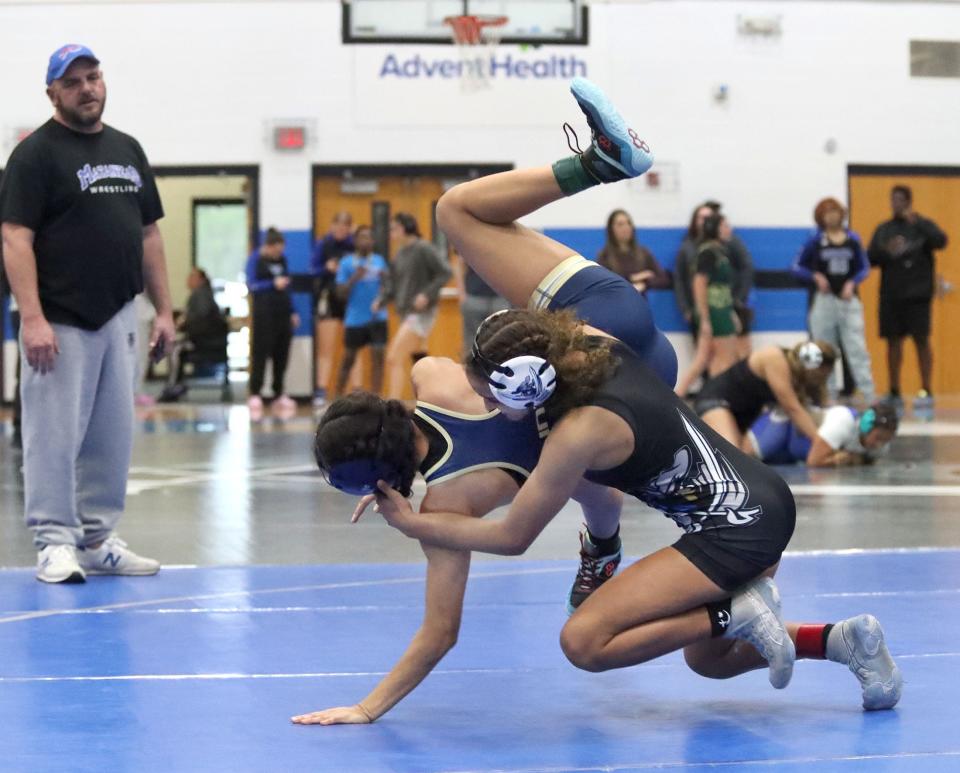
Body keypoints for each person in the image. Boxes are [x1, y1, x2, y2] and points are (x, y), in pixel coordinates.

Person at [297, 78, 899, 724]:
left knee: (585, 636)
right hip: (633, 337)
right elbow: (580, 474)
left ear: (516, 392)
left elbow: (509, 539)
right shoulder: (569, 348)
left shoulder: (562, 440)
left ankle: (714, 600)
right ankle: (837, 640)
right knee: (706, 657)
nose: (473, 391)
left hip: (735, 518)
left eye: (484, 388)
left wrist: (413, 528)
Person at [0, 44, 175, 583]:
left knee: (111, 434)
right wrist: (32, 318)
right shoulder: (34, 156)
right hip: (60, 320)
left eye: (93, 77)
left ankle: (97, 538)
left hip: (122, 316)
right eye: (73, 82)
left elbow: (148, 233)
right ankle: (54, 541)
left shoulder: (127, 149)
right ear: (53, 93)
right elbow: (14, 236)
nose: (86, 88)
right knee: (53, 435)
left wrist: (165, 311)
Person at [867, 185, 947, 418]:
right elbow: (870, 258)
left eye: (901, 200)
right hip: (891, 295)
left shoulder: (922, 226)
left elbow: (941, 241)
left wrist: (918, 222)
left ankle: (926, 389)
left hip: (918, 296)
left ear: (909, 202)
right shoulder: (884, 229)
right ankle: (894, 390)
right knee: (893, 343)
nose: (896, 204)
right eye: (893, 200)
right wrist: (886, 250)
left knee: (922, 341)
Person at [792, 198, 875, 405]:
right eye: (826, 212)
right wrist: (815, 277)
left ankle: (869, 395)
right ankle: (826, 396)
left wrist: (852, 283)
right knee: (823, 350)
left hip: (848, 302)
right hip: (825, 301)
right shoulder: (815, 240)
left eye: (834, 211)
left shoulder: (852, 239)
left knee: (857, 348)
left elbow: (864, 267)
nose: (831, 216)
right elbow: (795, 266)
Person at [693, 340, 837, 451]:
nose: (822, 381)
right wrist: (822, 443)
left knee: (745, 458)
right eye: (821, 376)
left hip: (743, 413)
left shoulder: (804, 378)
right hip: (716, 400)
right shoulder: (774, 357)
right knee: (731, 456)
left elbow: (818, 409)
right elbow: (792, 409)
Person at [378, 213, 452, 400]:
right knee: (419, 359)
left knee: (394, 357)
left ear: (404, 228)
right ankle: (428, 401)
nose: (391, 233)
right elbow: (393, 285)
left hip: (420, 313)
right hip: (405, 312)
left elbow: (445, 272)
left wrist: (426, 294)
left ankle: (392, 405)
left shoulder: (423, 248)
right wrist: (381, 299)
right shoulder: (400, 254)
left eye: (393, 228)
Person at [675, 201, 755, 358]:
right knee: (714, 359)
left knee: (714, 359)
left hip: (725, 305)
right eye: (701, 218)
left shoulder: (728, 245)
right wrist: (690, 310)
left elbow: (746, 267)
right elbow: (688, 281)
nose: (704, 222)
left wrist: (738, 300)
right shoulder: (701, 250)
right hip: (711, 308)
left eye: (708, 218)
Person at [674, 212, 740, 397]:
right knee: (725, 360)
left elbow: (723, 288)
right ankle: (716, 399)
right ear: (715, 229)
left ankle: (676, 398)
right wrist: (704, 319)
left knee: (702, 360)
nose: (729, 229)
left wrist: (732, 312)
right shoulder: (708, 252)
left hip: (722, 308)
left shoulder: (719, 250)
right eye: (725, 226)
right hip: (715, 311)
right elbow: (699, 284)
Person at [246, 227, 298, 419]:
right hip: (264, 314)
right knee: (261, 354)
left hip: (282, 313)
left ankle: (279, 392)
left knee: (281, 354)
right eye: (275, 250)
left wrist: (293, 311)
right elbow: (252, 285)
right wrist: (271, 284)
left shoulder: (282, 261)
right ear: (268, 246)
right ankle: (255, 392)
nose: (278, 253)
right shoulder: (255, 259)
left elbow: (287, 287)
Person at [747, 402, 898, 467]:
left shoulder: (879, 449)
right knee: (744, 458)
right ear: (866, 424)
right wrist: (839, 459)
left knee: (765, 466)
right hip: (782, 425)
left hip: (790, 453)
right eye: (878, 438)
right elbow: (814, 461)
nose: (879, 445)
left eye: (885, 441)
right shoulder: (843, 420)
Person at [157, 268, 228, 403]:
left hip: (205, 342)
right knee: (176, 346)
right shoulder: (203, 294)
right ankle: (176, 384)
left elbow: (201, 319)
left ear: (200, 279)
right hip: (206, 339)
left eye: (192, 276)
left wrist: (184, 326)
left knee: (175, 350)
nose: (188, 280)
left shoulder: (201, 295)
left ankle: (173, 386)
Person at [334, 226, 388, 397]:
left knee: (378, 358)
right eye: (362, 237)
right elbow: (340, 293)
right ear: (355, 241)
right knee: (348, 359)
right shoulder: (346, 262)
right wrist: (354, 278)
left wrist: (384, 281)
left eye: (369, 238)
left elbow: (389, 287)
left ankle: (376, 399)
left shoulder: (379, 261)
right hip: (355, 318)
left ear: (373, 242)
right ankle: (337, 397)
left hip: (377, 317)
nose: (366, 241)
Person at [311, 212, 355, 408]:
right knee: (326, 347)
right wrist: (327, 268)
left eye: (345, 228)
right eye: (338, 227)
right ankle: (322, 389)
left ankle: (356, 390)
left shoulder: (353, 246)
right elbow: (312, 268)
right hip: (329, 296)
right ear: (332, 226)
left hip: (349, 297)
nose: (341, 231)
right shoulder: (324, 244)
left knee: (353, 346)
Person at [596, 208, 669, 295]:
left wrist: (646, 283)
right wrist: (633, 278)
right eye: (620, 224)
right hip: (616, 304)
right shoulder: (605, 256)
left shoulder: (643, 253)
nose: (626, 227)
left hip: (640, 304)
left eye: (628, 223)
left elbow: (664, 279)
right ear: (611, 229)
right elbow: (602, 284)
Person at [458, 263, 510, 355]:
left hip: (500, 297)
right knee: (471, 343)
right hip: (474, 297)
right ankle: (471, 368)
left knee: (502, 340)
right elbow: (459, 264)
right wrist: (461, 292)